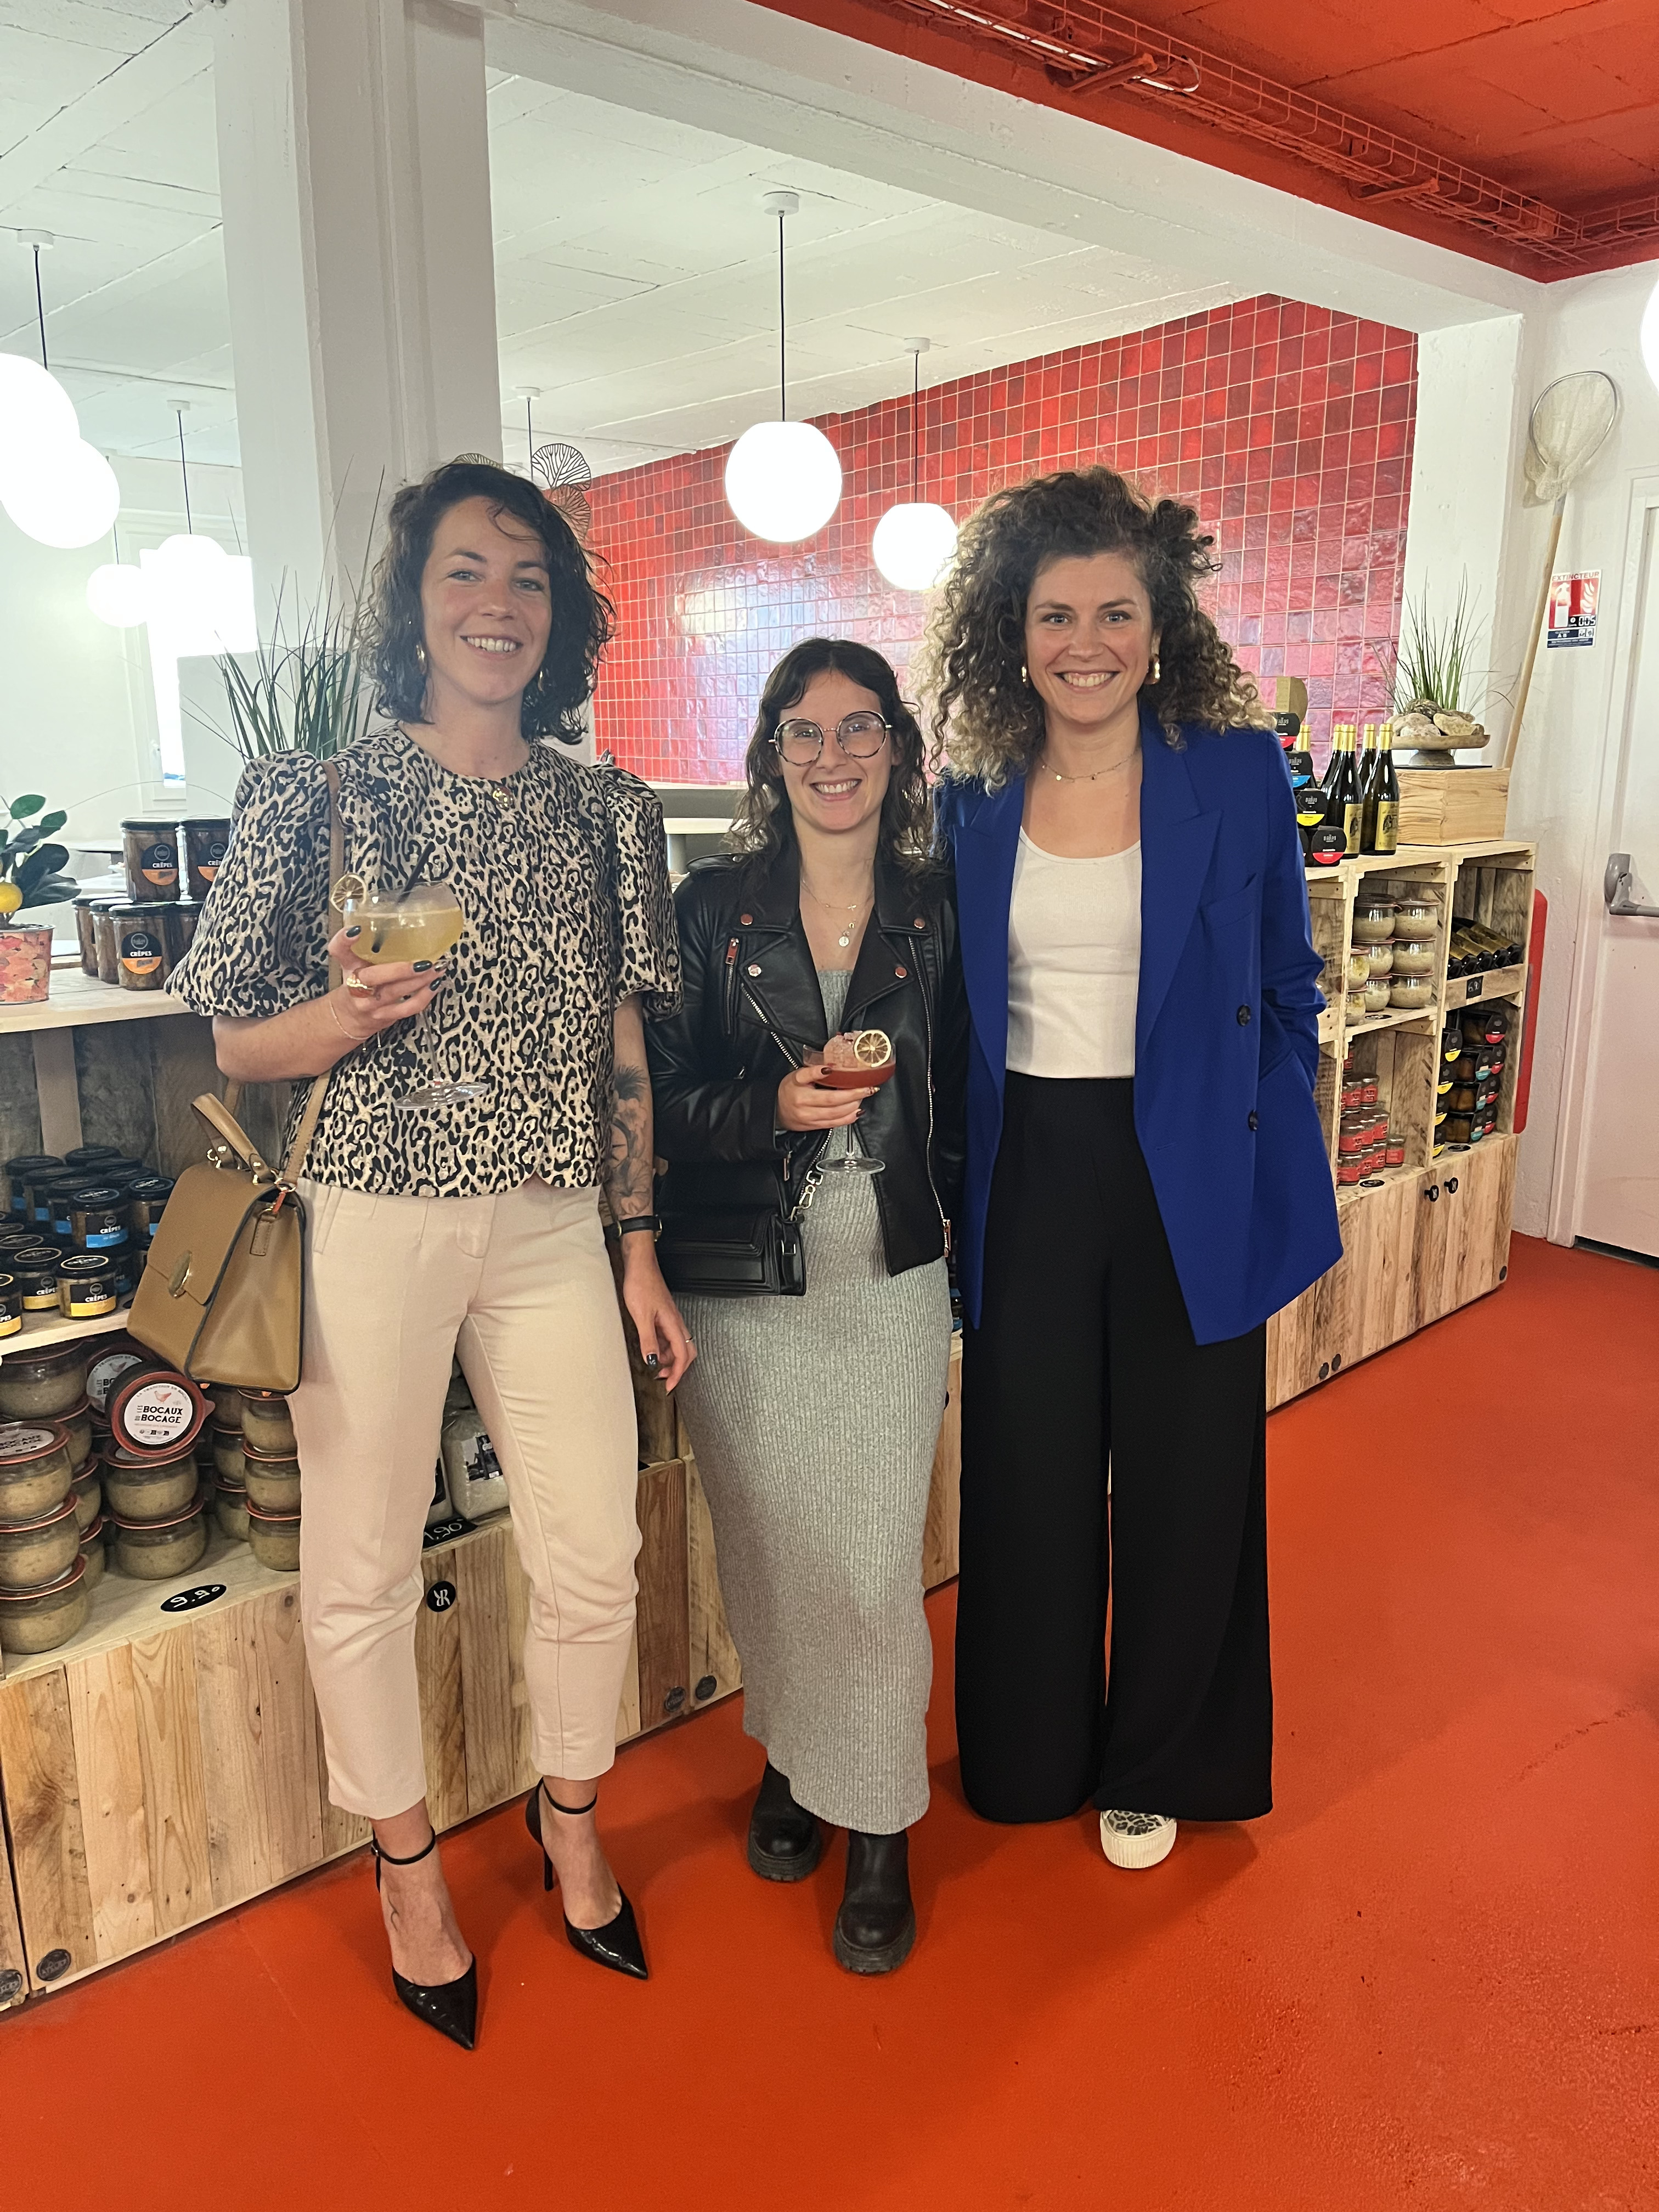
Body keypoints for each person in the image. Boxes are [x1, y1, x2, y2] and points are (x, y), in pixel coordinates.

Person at [170, 458, 692, 2049]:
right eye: (465, 570)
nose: (497, 604)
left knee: (594, 1547)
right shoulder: (314, 794)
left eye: (529, 578)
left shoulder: (608, 812)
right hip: (374, 1216)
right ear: (414, 601)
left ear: (561, 617)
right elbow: (234, 1041)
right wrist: (339, 1017)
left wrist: (639, 1245)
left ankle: (571, 1816)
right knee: (363, 1564)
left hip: (549, 1222)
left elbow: (619, 1050)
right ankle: (406, 1864)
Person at [923, 467, 1341, 1867]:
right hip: (1032, 1167)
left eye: (1116, 612)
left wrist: (1256, 1142)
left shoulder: (1234, 770)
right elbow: (955, 1011)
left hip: (1191, 1166)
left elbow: (1288, 982)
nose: (1085, 642)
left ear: (1162, 630)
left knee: (1187, 1475)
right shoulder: (974, 793)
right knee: (1028, 1473)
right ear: (1013, 631)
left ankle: (1163, 1757)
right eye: (1056, 614)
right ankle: (1029, 1752)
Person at [646, 638, 966, 1974]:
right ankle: (789, 1754)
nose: (834, 756)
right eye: (805, 732)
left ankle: (879, 1823)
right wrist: (766, 1108)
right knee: (773, 1549)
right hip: (742, 1282)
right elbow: (655, 1103)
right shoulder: (710, 908)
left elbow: (974, 1100)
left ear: (898, 746)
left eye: (860, 727)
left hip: (888, 1274)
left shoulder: (940, 905)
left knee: (873, 1567)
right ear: (772, 756)